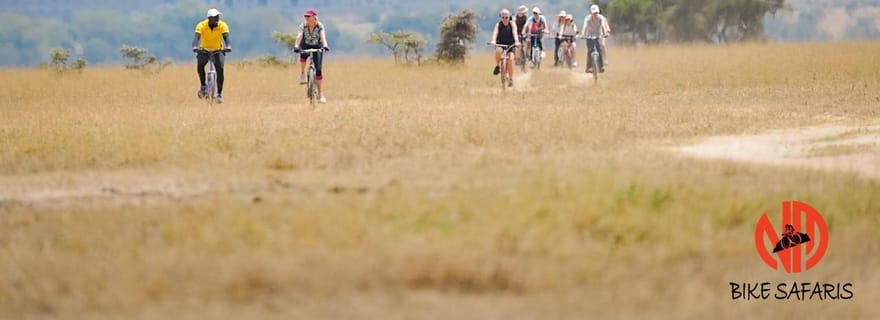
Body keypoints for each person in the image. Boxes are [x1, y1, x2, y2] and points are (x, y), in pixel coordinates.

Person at [192, 8, 232, 103]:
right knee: (200, 65)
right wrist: (194, 46)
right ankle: (203, 86)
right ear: (209, 18)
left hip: (218, 50)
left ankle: (219, 94)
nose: (217, 19)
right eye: (215, 17)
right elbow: (196, 38)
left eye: (218, 16)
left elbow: (226, 37)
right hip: (204, 49)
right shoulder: (201, 25)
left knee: (220, 69)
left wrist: (228, 46)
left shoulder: (222, 25)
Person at [293, 8, 330, 104]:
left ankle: (320, 94)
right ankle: (302, 74)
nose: (306, 18)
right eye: (305, 16)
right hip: (306, 44)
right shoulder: (303, 26)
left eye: (308, 16)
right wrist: (296, 46)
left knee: (318, 69)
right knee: (303, 55)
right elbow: (299, 36)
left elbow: (323, 37)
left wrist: (325, 46)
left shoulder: (320, 26)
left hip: (317, 45)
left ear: (314, 17)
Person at [490, 8, 521, 86]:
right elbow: (495, 32)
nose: (504, 19)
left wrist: (517, 41)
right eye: (503, 17)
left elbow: (515, 33)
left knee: (510, 59)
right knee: (498, 52)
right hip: (501, 44)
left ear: (509, 17)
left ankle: (510, 79)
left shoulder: (512, 24)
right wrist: (493, 40)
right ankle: (498, 66)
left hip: (511, 45)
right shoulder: (498, 25)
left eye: (506, 17)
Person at [580, 4, 608, 72]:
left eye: (596, 12)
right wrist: (582, 34)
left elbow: (603, 25)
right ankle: (588, 67)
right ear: (591, 13)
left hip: (599, 35)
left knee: (599, 50)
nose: (595, 14)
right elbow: (584, 26)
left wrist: (605, 33)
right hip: (590, 36)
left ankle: (601, 67)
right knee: (590, 51)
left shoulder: (601, 18)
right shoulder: (587, 18)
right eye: (594, 12)